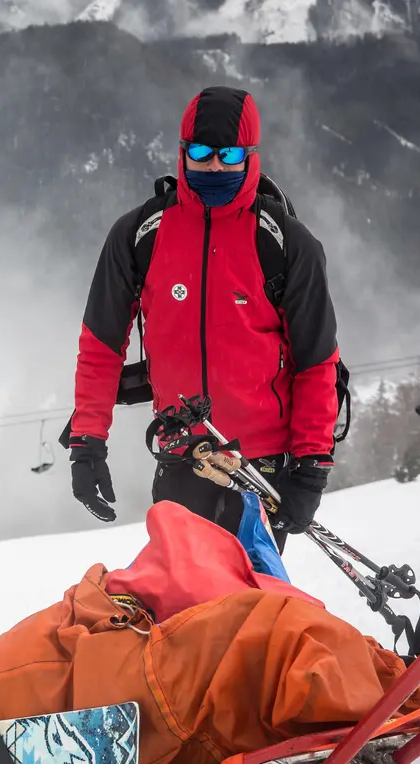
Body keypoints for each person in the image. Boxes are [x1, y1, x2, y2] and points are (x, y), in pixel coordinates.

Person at [67, 86, 341, 551]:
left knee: (248, 595)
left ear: (249, 155)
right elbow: (101, 346)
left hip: (260, 467)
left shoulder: (286, 243)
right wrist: (86, 443)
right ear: (182, 152)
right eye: (200, 153)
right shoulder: (140, 234)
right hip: (181, 455)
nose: (214, 166)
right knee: (180, 593)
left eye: (229, 155)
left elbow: (316, 362)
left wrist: (311, 466)